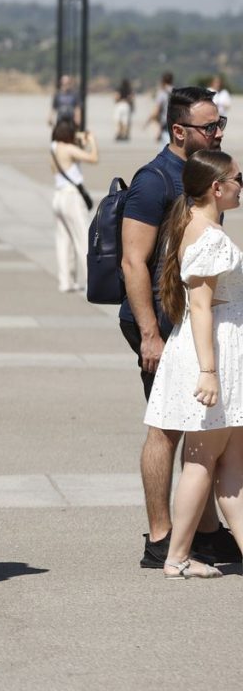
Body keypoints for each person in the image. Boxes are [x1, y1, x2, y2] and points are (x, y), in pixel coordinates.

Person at [120, 86, 240, 569]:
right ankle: (162, 537)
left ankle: (203, 534)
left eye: (220, 124)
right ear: (178, 131)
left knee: (202, 435)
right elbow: (133, 261)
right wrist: (150, 333)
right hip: (165, 325)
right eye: (208, 127)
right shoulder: (153, 182)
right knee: (166, 431)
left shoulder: (203, 175)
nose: (216, 133)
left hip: (192, 323)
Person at [145, 150, 243, 579]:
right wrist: (210, 371)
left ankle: (182, 555)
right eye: (238, 178)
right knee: (203, 458)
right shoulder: (210, 237)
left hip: (217, 350)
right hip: (213, 352)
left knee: (231, 464)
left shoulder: (193, 226)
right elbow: (201, 308)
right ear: (216, 188)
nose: (242, 186)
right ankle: (177, 556)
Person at [50, 123, 98, 293]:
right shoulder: (68, 149)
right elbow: (93, 158)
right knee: (83, 239)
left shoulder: (53, 148)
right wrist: (91, 140)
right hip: (71, 197)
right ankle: (91, 282)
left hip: (58, 196)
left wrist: (78, 138)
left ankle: (66, 281)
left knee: (64, 240)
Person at [146, 72, 174, 145]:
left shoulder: (162, 93)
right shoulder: (175, 91)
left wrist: (148, 122)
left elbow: (156, 110)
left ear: (163, 81)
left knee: (166, 148)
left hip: (165, 123)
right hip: (175, 121)